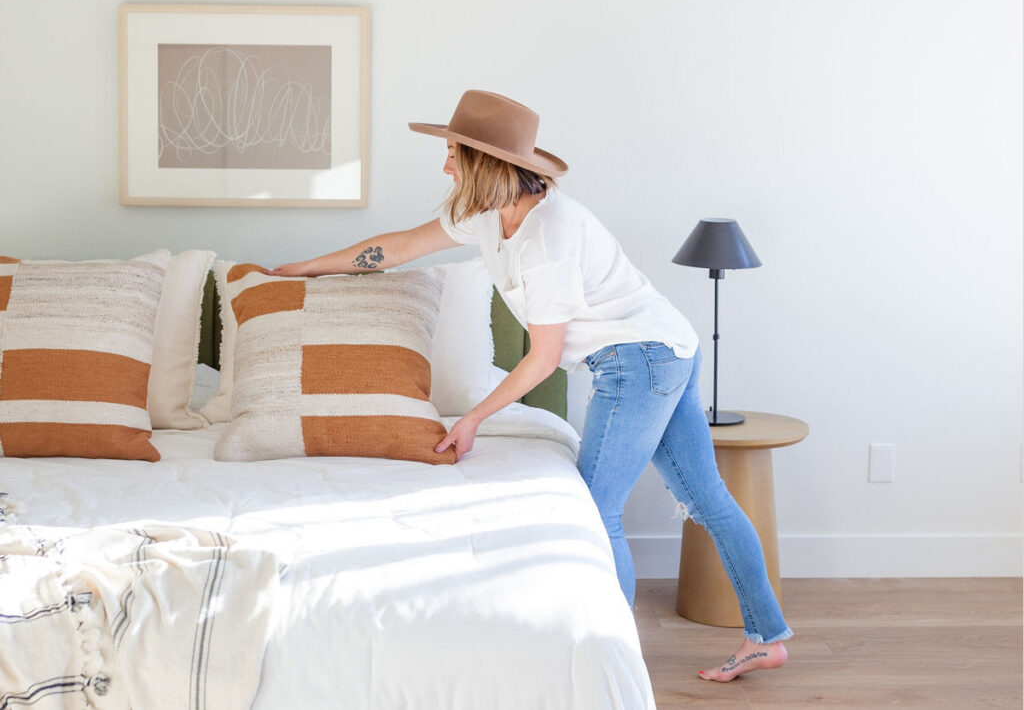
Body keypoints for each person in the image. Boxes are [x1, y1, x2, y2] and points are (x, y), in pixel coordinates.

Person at [270, 89, 792, 681]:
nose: (444, 166)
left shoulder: (550, 236)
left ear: (484, 163)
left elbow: (541, 360)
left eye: (452, 154)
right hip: (668, 345)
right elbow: (400, 246)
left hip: (640, 359)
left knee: (597, 511)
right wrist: (306, 267)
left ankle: (613, 667)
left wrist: (470, 419)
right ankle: (767, 636)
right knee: (706, 497)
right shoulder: (484, 214)